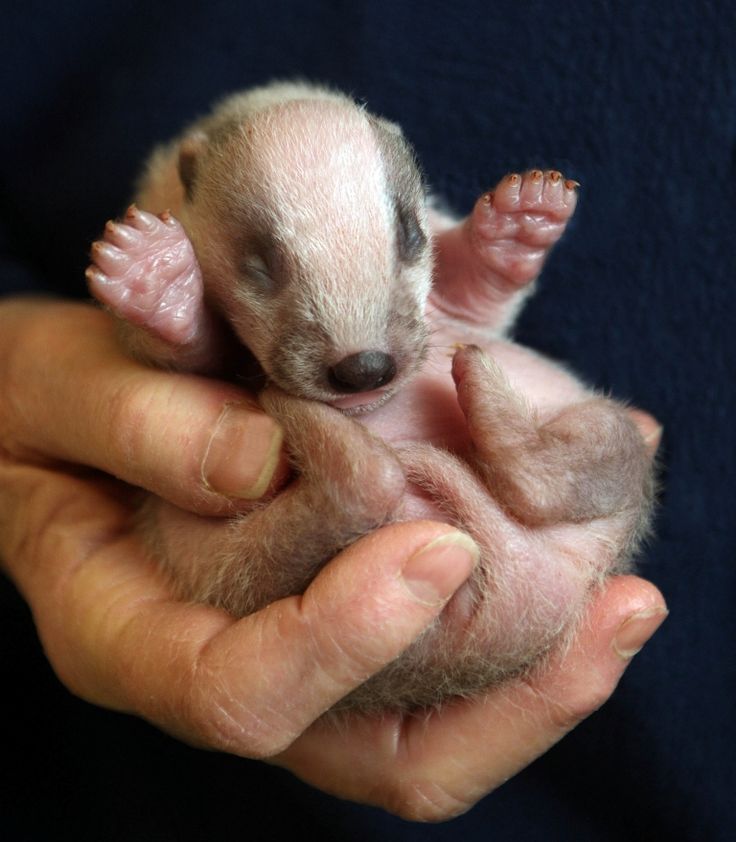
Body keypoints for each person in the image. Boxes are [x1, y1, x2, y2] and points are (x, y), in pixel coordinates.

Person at [1, 2, 732, 839]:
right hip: (327, 625)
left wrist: (485, 265)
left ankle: (412, 480)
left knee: (611, 445)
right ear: (188, 196)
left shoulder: (370, 218)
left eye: (407, 245)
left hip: (634, 742)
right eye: (265, 272)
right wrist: (157, 326)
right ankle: (360, 495)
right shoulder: (181, 208)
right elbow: (194, 363)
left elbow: (464, 306)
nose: (364, 360)